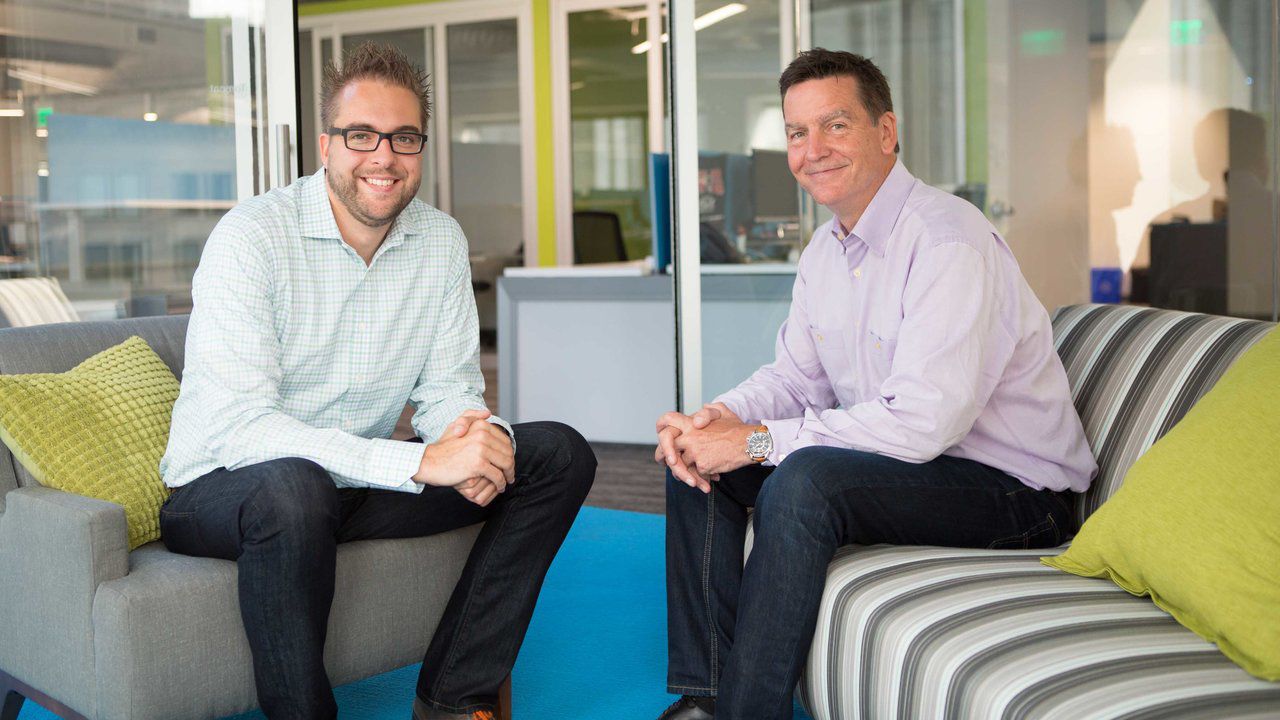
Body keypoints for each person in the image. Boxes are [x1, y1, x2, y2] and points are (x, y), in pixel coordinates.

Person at [653, 49, 1096, 720]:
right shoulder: (826, 252)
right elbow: (797, 377)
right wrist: (718, 419)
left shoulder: (947, 240)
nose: (812, 150)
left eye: (835, 125)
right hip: (918, 468)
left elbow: (923, 423)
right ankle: (709, 695)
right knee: (695, 464)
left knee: (803, 482)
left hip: (1016, 491)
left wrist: (759, 440)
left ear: (885, 133)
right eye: (797, 133)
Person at [159, 42, 595, 720]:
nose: (384, 157)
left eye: (404, 138)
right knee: (292, 484)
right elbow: (246, 427)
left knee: (554, 454)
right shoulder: (252, 238)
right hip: (225, 486)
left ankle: (453, 696)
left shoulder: (439, 240)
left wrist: (473, 439)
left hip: (349, 486)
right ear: (327, 145)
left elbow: (450, 386)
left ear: (421, 147)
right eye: (362, 136)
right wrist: (422, 460)